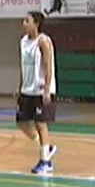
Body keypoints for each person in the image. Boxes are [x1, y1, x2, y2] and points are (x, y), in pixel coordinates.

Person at [16, 11, 59, 174]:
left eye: (27, 20)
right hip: (27, 89)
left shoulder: (43, 41)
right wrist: (20, 86)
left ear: (36, 23)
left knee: (41, 124)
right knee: (22, 122)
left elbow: (48, 66)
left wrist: (47, 89)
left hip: (41, 89)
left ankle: (45, 161)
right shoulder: (23, 42)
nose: (23, 23)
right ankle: (46, 147)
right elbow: (22, 66)